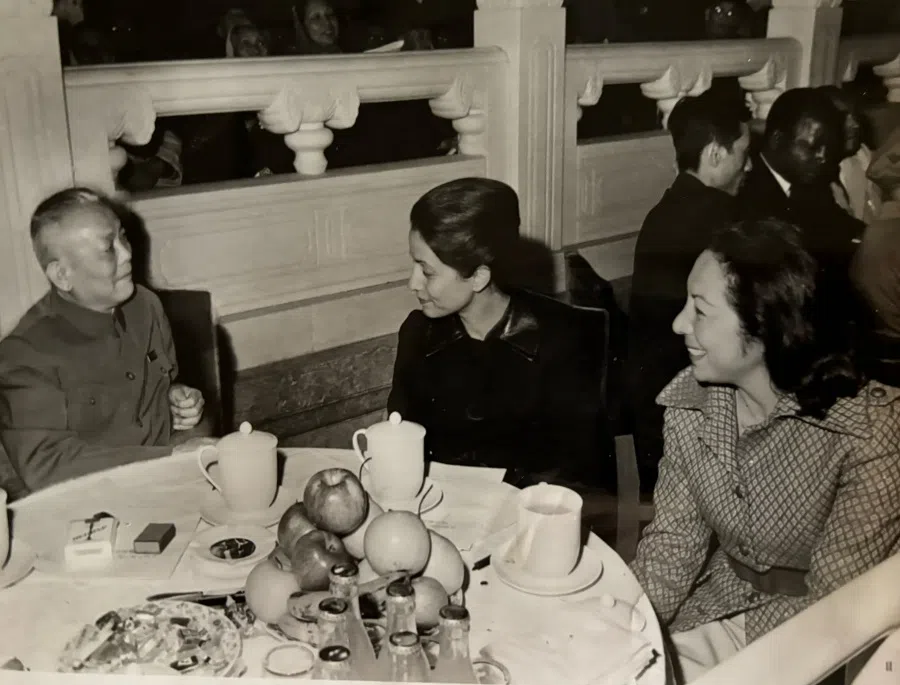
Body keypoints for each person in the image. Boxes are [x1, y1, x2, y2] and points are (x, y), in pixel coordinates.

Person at [630, 218, 900, 683]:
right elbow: (672, 547)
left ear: (766, 324)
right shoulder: (690, 407)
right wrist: (620, 626)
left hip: (837, 640)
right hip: (723, 603)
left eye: (700, 310)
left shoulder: (870, 431)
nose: (679, 324)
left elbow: (834, 612)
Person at [387, 178, 614, 488]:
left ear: (479, 276)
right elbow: (400, 442)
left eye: (426, 271)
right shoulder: (417, 334)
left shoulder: (569, 338)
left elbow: (578, 478)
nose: (413, 283)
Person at [0, 188, 207, 494]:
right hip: (83, 506)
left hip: (165, 485)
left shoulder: (146, 307)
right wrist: (170, 459)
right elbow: (49, 466)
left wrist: (176, 398)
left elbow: (160, 382)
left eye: (122, 237)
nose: (127, 253)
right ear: (62, 275)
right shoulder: (24, 353)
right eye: (108, 248)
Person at [627, 92, 751, 494]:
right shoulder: (724, 222)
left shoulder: (664, 210)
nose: (748, 165)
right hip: (691, 408)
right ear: (716, 153)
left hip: (648, 399)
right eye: (743, 153)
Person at [739, 88, 864, 274]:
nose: (822, 156)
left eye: (826, 147)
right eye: (813, 147)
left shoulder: (810, 180)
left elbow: (840, 224)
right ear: (777, 139)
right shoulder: (745, 188)